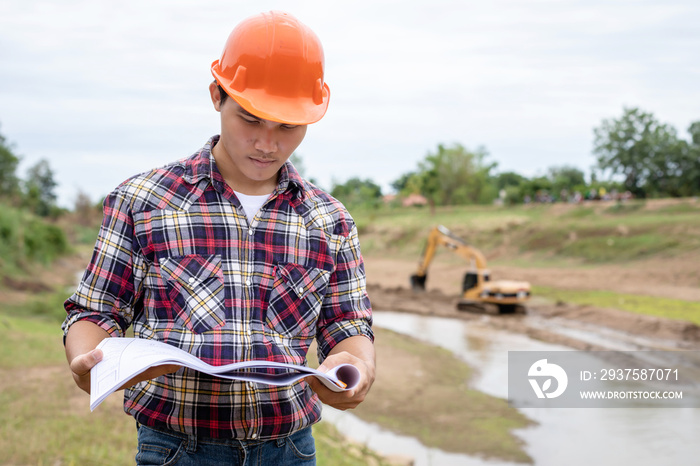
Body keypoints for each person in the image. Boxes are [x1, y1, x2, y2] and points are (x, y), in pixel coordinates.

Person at [62, 11, 375, 465]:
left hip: (289, 450)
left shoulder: (329, 220)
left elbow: (346, 327)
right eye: (250, 119)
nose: (267, 143)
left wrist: (356, 368)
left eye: (288, 126)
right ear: (217, 96)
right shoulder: (143, 200)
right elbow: (97, 311)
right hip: (176, 449)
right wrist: (90, 360)